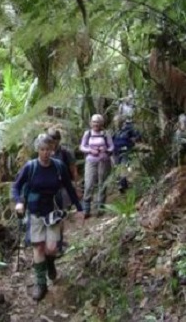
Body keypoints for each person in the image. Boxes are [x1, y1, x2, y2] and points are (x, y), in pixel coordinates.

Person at [12, 134, 83, 302]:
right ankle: (41, 284)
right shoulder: (30, 167)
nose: (45, 153)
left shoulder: (59, 167)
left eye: (48, 149)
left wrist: (80, 208)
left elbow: (68, 187)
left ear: (52, 149)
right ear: (38, 150)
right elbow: (16, 186)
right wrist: (18, 203)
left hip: (53, 211)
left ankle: (50, 262)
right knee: (38, 247)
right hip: (35, 212)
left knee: (51, 248)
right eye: (42, 149)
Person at [47, 127, 82, 255]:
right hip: (47, 189)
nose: (52, 142)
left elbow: (73, 170)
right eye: (50, 139)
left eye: (54, 139)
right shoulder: (45, 152)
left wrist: (77, 187)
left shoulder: (65, 153)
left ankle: (59, 244)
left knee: (59, 216)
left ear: (58, 140)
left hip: (62, 188)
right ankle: (55, 243)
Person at [79, 114, 114, 218]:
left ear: (102, 123)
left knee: (102, 184)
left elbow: (111, 147)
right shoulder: (88, 133)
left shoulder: (105, 133)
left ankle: (100, 208)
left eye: (98, 122)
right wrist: (90, 150)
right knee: (89, 184)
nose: (96, 124)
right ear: (91, 123)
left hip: (104, 161)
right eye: (94, 122)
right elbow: (82, 146)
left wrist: (106, 150)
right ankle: (86, 208)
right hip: (91, 161)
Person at [112, 114, 141, 193]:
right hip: (116, 152)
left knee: (123, 167)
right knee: (117, 168)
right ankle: (123, 184)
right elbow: (111, 140)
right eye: (115, 121)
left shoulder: (129, 128)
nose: (116, 123)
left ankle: (122, 185)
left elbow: (137, 135)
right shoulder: (115, 131)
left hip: (126, 151)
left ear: (121, 121)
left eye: (117, 121)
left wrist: (133, 141)